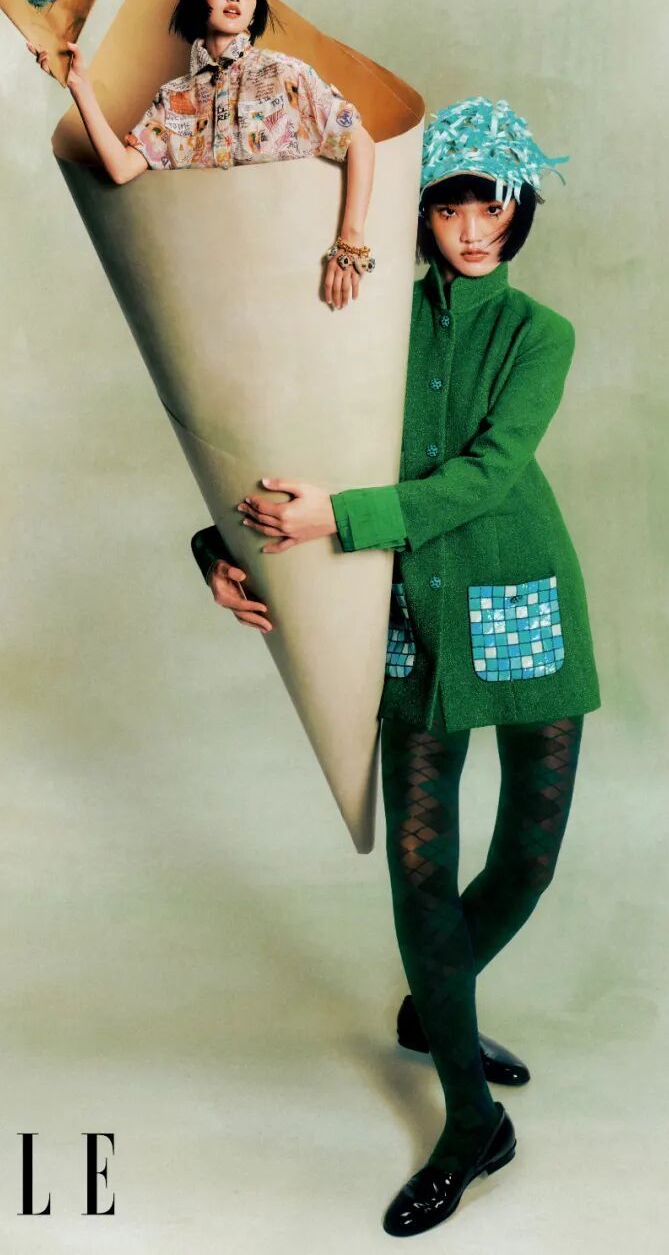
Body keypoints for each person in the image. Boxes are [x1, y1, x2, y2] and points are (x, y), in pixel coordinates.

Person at [193, 97, 601, 1236]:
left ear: (519, 215)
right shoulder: (367, 314)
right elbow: (269, 433)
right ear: (421, 214)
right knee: (421, 871)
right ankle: (472, 1122)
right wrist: (215, 551)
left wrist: (339, 517)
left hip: (523, 596)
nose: (475, 228)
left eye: (495, 207)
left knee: (526, 859)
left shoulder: (542, 336)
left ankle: (435, 1005)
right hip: (408, 610)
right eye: (453, 205)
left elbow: (488, 474)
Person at [29, 0, 377, 310]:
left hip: (296, 275)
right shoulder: (174, 98)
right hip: (211, 288)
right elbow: (121, 168)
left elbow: (360, 142)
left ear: (256, 8)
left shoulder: (286, 74)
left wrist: (351, 240)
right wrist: (80, 86)